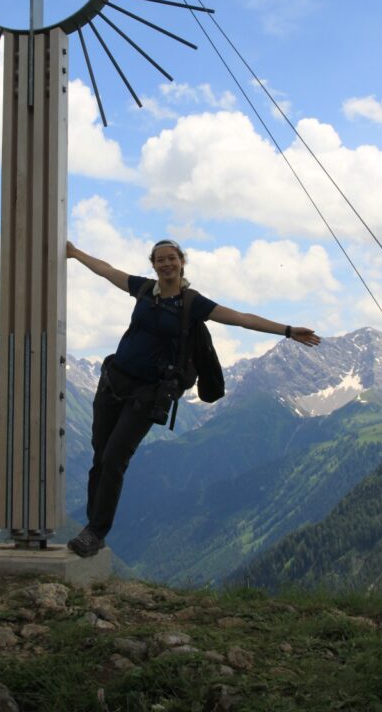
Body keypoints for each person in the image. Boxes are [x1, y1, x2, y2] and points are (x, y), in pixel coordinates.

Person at [66, 238, 320, 557]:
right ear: (154, 264)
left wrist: (287, 330)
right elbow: (106, 270)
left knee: (115, 457)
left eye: (171, 258)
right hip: (112, 384)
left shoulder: (192, 303)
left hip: (147, 395)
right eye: (160, 260)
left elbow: (240, 318)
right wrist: (75, 253)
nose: (166, 264)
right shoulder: (143, 289)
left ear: (182, 262)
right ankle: (93, 526)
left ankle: (96, 530)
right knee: (100, 457)